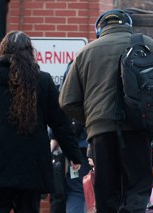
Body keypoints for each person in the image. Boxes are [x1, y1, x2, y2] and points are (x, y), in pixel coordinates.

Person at [59, 9, 153, 212]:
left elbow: (67, 101)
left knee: (106, 193)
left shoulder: (84, 53)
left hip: (101, 132)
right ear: (128, 25)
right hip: (138, 129)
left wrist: (92, 120)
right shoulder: (146, 43)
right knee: (138, 187)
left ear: (100, 29)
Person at [0, 30, 83, 213]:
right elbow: (60, 123)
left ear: (2, 49)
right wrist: (74, 155)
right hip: (31, 164)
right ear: (30, 51)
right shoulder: (43, 80)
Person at [49, 60, 91, 213]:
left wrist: (54, 138)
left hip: (77, 143)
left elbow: (62, 105)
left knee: (76, 190)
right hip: (103, 140)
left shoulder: (73, 67)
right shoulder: (106, 65)